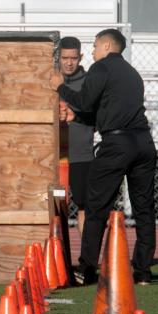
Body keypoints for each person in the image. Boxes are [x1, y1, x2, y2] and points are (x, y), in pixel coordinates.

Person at [52, 29, 157, 286]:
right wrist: (83, 118)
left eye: (95, 45)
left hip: (117, 144)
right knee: (144, 209)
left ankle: (86, 269)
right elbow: (106, 110)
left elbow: (85, 101)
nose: (92, 51)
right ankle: (143, 270)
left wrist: (60, 88)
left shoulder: (101, 68)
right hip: (143, 142)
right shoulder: (132, 74)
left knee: (97, 207)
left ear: (108, 46)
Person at [58, 36, 95, 236]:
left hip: (83, 154)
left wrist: (77, 117)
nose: (69, 62)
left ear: (80, 57)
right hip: (56, 156)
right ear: (58, 57)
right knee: (56, 207)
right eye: (65, 58)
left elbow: (97, 115)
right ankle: (58, 257)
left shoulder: (89, 81)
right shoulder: (50, 80)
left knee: (85, 206)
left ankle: (86, 258)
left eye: (73, 58)